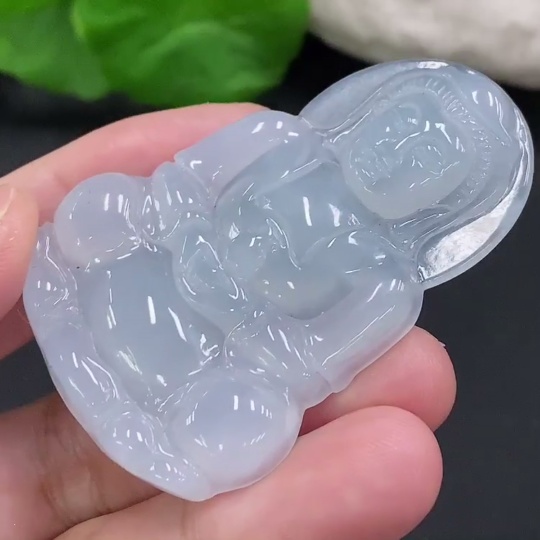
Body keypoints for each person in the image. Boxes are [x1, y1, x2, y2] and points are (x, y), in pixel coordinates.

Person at [0, 103, 456, 540]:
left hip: (206, 366)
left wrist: (239, 311)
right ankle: (64, 283)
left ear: (437, 203)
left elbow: (304, 366)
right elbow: (179, 184)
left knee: (252, 425)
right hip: (141, 271)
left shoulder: (388, 286)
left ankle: (161, 432)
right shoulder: (281, 138)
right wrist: (190, 237)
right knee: (101, 206)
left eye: (426, 158)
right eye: (402, 123)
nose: (395, 153)